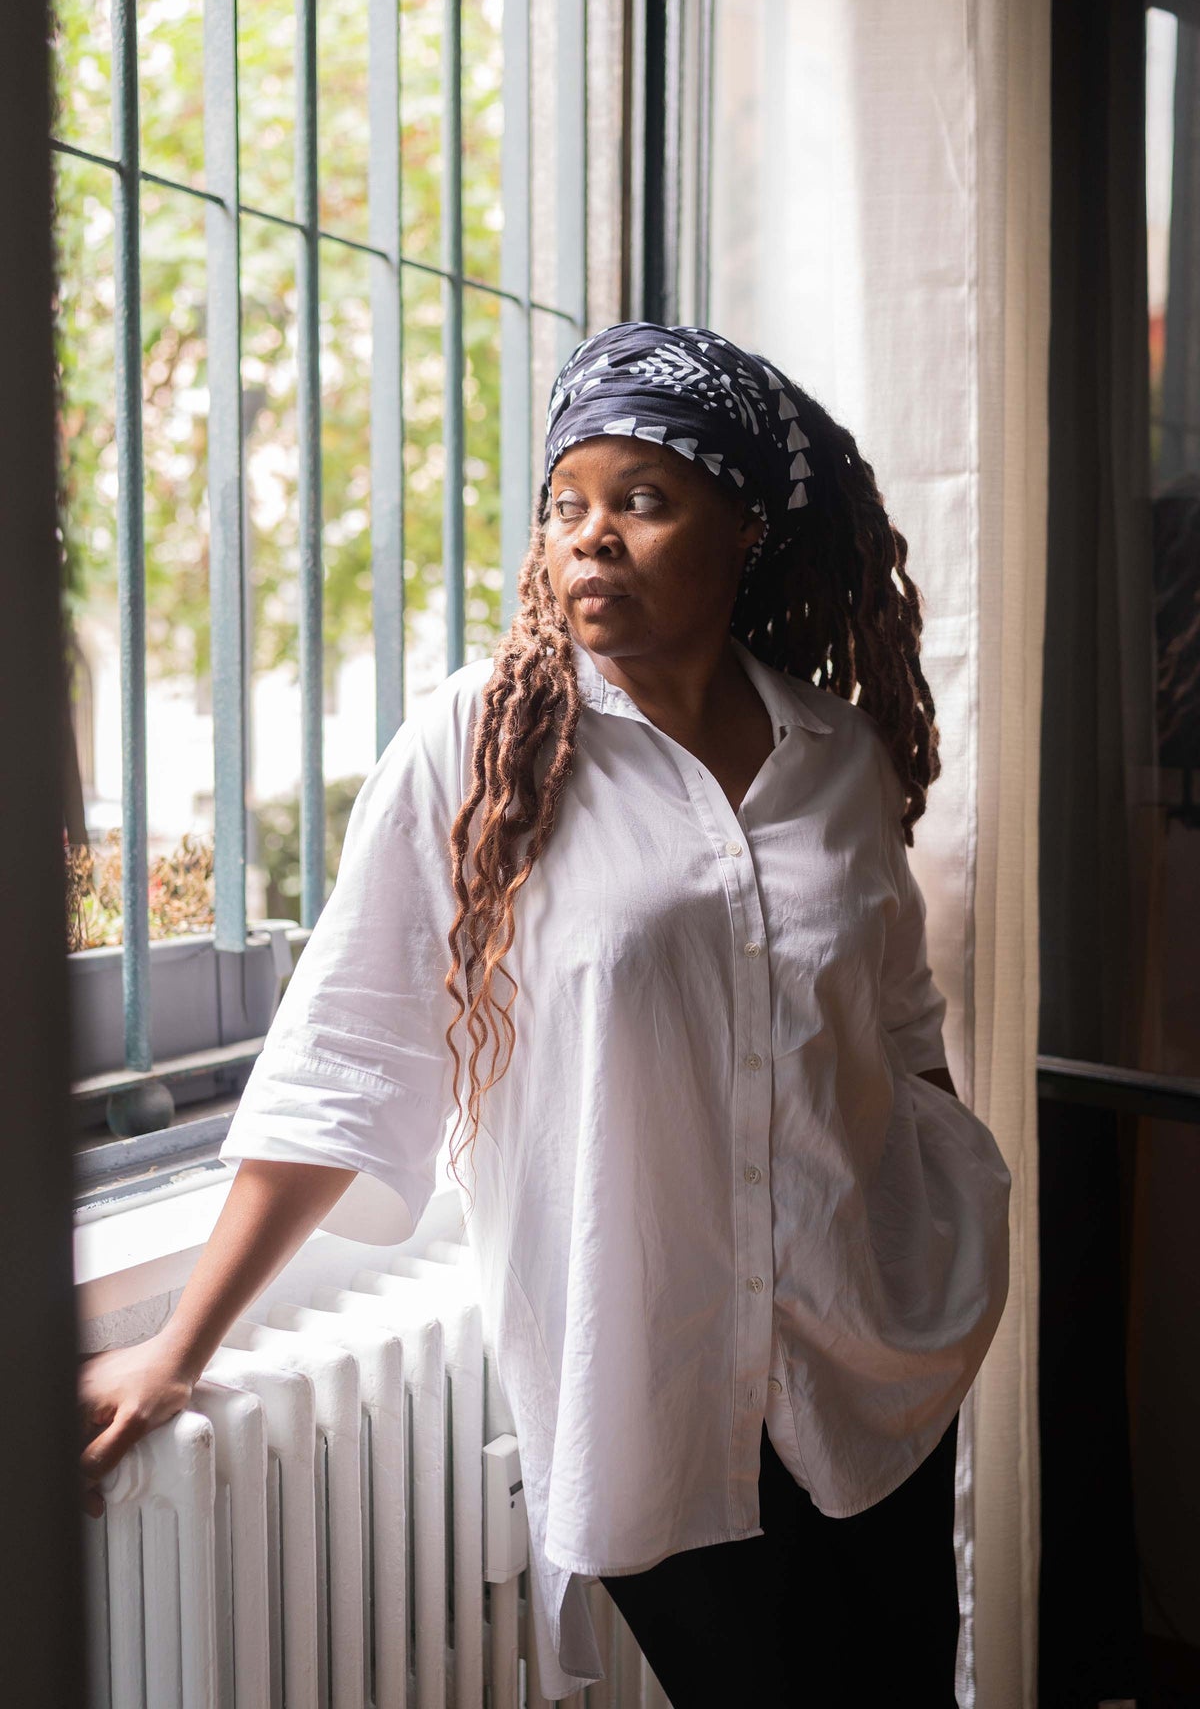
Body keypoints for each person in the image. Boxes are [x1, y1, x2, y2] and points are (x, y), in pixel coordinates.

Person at [78, 321, 1011, 1705]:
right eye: (565, 504)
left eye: (644, 500)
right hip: (656, 1387)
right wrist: (178, 1347)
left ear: (745, 530)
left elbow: (900, 1031)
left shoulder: (840, 758)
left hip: (872, 1366)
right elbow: (348, 1058)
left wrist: (955, 1229)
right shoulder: (481, 749)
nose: (592, 538)